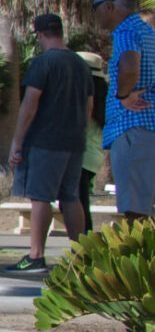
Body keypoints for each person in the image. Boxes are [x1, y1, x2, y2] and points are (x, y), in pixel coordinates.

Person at [6, 13, 94, 273]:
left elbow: (30, 103)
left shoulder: (43, 63)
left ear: (40, 34)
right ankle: (79, 256)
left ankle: (36, 255)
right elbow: (89, 105)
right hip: (74, 141)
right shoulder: (80, 64)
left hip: (46, 140)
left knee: (40, 197)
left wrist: (17, 141)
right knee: (71, 196)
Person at [95, 0, 154, 221]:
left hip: (132, 128)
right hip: (146, 128)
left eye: (95, 6)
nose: (95, 13)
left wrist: (123, 95)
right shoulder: (147, 31)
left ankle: (137, 256)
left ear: (109, 6)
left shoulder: (127, 30)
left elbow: (130, 64)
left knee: (135, 211)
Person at [77, 52, 108, 233]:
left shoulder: (85, 96)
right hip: (94, 156)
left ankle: (84, 248)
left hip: (81, 155)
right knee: (79, 202)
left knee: (76, 204)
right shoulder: (103, 96)